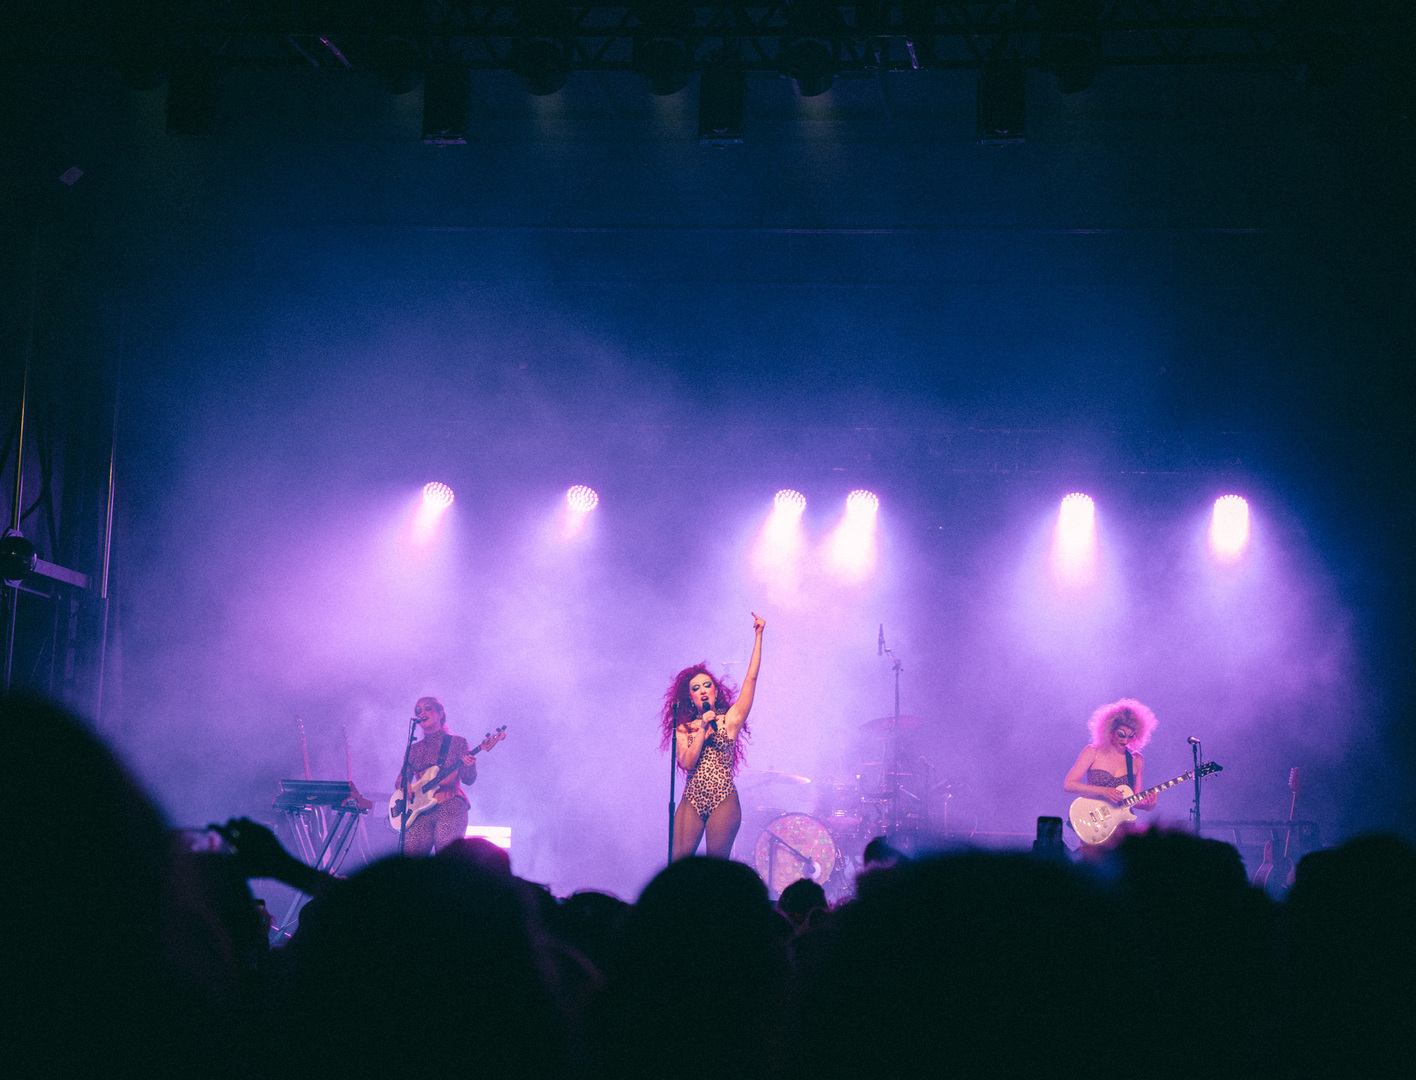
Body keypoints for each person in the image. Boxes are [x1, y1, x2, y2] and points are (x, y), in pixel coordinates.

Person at [663, 613, 765, 860]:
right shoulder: (685, 728)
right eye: (695, 688)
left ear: (716, 691)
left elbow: (751, 679)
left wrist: (759, 635)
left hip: (723, 797)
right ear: (691, 698)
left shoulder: (729, 721)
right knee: (679, 869)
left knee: (716, 870)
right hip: (692, 797)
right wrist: (702, 731)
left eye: (707, 685)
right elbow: (687, 762)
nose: (702, 690)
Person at [1063, 698, 1158, 844]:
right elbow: (1069, 785)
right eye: (1121, 734)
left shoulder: (1136, 759)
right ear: (1109, 730)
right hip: (1096, 823)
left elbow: (1135, 800)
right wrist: (1104, 791)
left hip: (1124, 828)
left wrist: (1149, 805)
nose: (1125, 740)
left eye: (1130, 736)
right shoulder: (1093, 752)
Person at [394, 696, 478, 855]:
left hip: (450, 806)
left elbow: (469, 779)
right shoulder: (414, 749)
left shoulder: (457, 742)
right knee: (411, 864)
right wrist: (404, 785)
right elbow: (400, 780)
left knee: (447, 862)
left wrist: (470, 764)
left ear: (440, 714)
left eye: (427, 708)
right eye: (418, 710)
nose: (422, 712)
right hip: (420, 811)